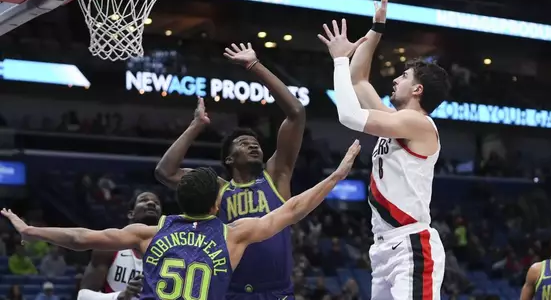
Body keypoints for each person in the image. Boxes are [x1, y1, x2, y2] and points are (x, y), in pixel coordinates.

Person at [3, 141, 361, 300]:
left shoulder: (149, 232)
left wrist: (32, 230)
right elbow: (294, 208)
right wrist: (337, 176)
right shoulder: (234, 234)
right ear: (217, 201)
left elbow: (81, 237)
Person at [317, 0, 450, 299]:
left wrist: (338, 60)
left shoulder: (416, 124)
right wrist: (375, 29)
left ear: (418, 90)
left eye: (403, 77)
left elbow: (348, 115)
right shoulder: (395, 122)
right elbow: (358, 80)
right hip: (384, 247)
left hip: (411, 246)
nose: (395, 79)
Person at [155, 42, 306, 299]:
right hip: (230, 291)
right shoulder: (216, 187)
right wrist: (195, 126)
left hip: (276, 292)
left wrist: (254, 65)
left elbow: (296, 113)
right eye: (243, 143)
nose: (253, 144)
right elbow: (165, 172)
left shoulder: (276, 175)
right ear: (228, 159)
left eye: (255, 142)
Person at [76, 191, 162, 300]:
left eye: (156, 202)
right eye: (144, 200)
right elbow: (83, 296)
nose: (151, 203)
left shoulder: (171, 254)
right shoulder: (110, 247)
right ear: (131, 214)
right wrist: (121, 296)